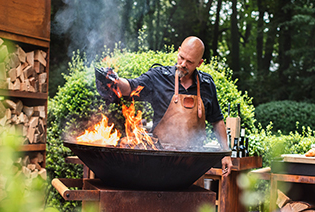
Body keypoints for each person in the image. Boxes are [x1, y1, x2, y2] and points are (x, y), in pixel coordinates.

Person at [96, 36, 232, 176]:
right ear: (178, 51)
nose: (183, 64)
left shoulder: (207, 85)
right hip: (160, 162)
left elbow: (217, 121)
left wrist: (226, 153)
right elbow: (131, 87)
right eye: (181, 57)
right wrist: (115, 82)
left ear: (199, 63)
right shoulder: (159, 77)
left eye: (190, 62)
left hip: (192, 165)